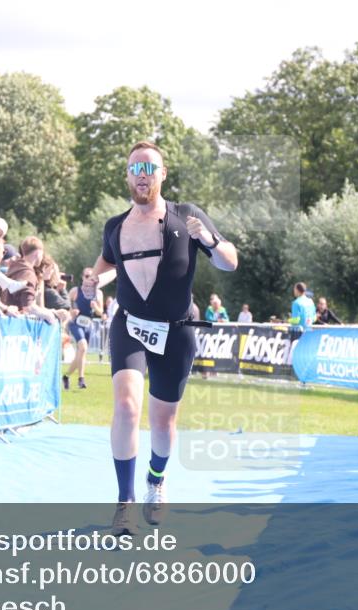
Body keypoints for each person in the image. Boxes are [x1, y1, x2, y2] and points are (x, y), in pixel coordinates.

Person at [91, 140, 237, 535]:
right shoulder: (115, 227)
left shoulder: (187, 215)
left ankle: (156, 478)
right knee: (125, 406)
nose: (142, 175)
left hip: (176, 330)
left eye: (149, 168)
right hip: (131, 326)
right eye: (135, 168)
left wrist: (208, 240)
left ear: (162, 174)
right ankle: (124, 503)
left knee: (163, 421)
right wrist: (93, 280)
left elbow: (230, 261)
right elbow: (107, 265)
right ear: (127, 176)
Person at [65, 267, 104, 390]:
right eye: (87, 276)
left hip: (88, 324)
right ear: (82, 277)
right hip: (76, 323)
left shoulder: (98, 293)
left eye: (92, 277)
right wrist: (72, 311)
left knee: (81, 353)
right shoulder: (75, 291)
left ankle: (66, 376)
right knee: (83, 347)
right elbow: (65, 306)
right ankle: (81, 379)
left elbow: (101, 312)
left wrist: (96, 307)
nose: (89, 279)